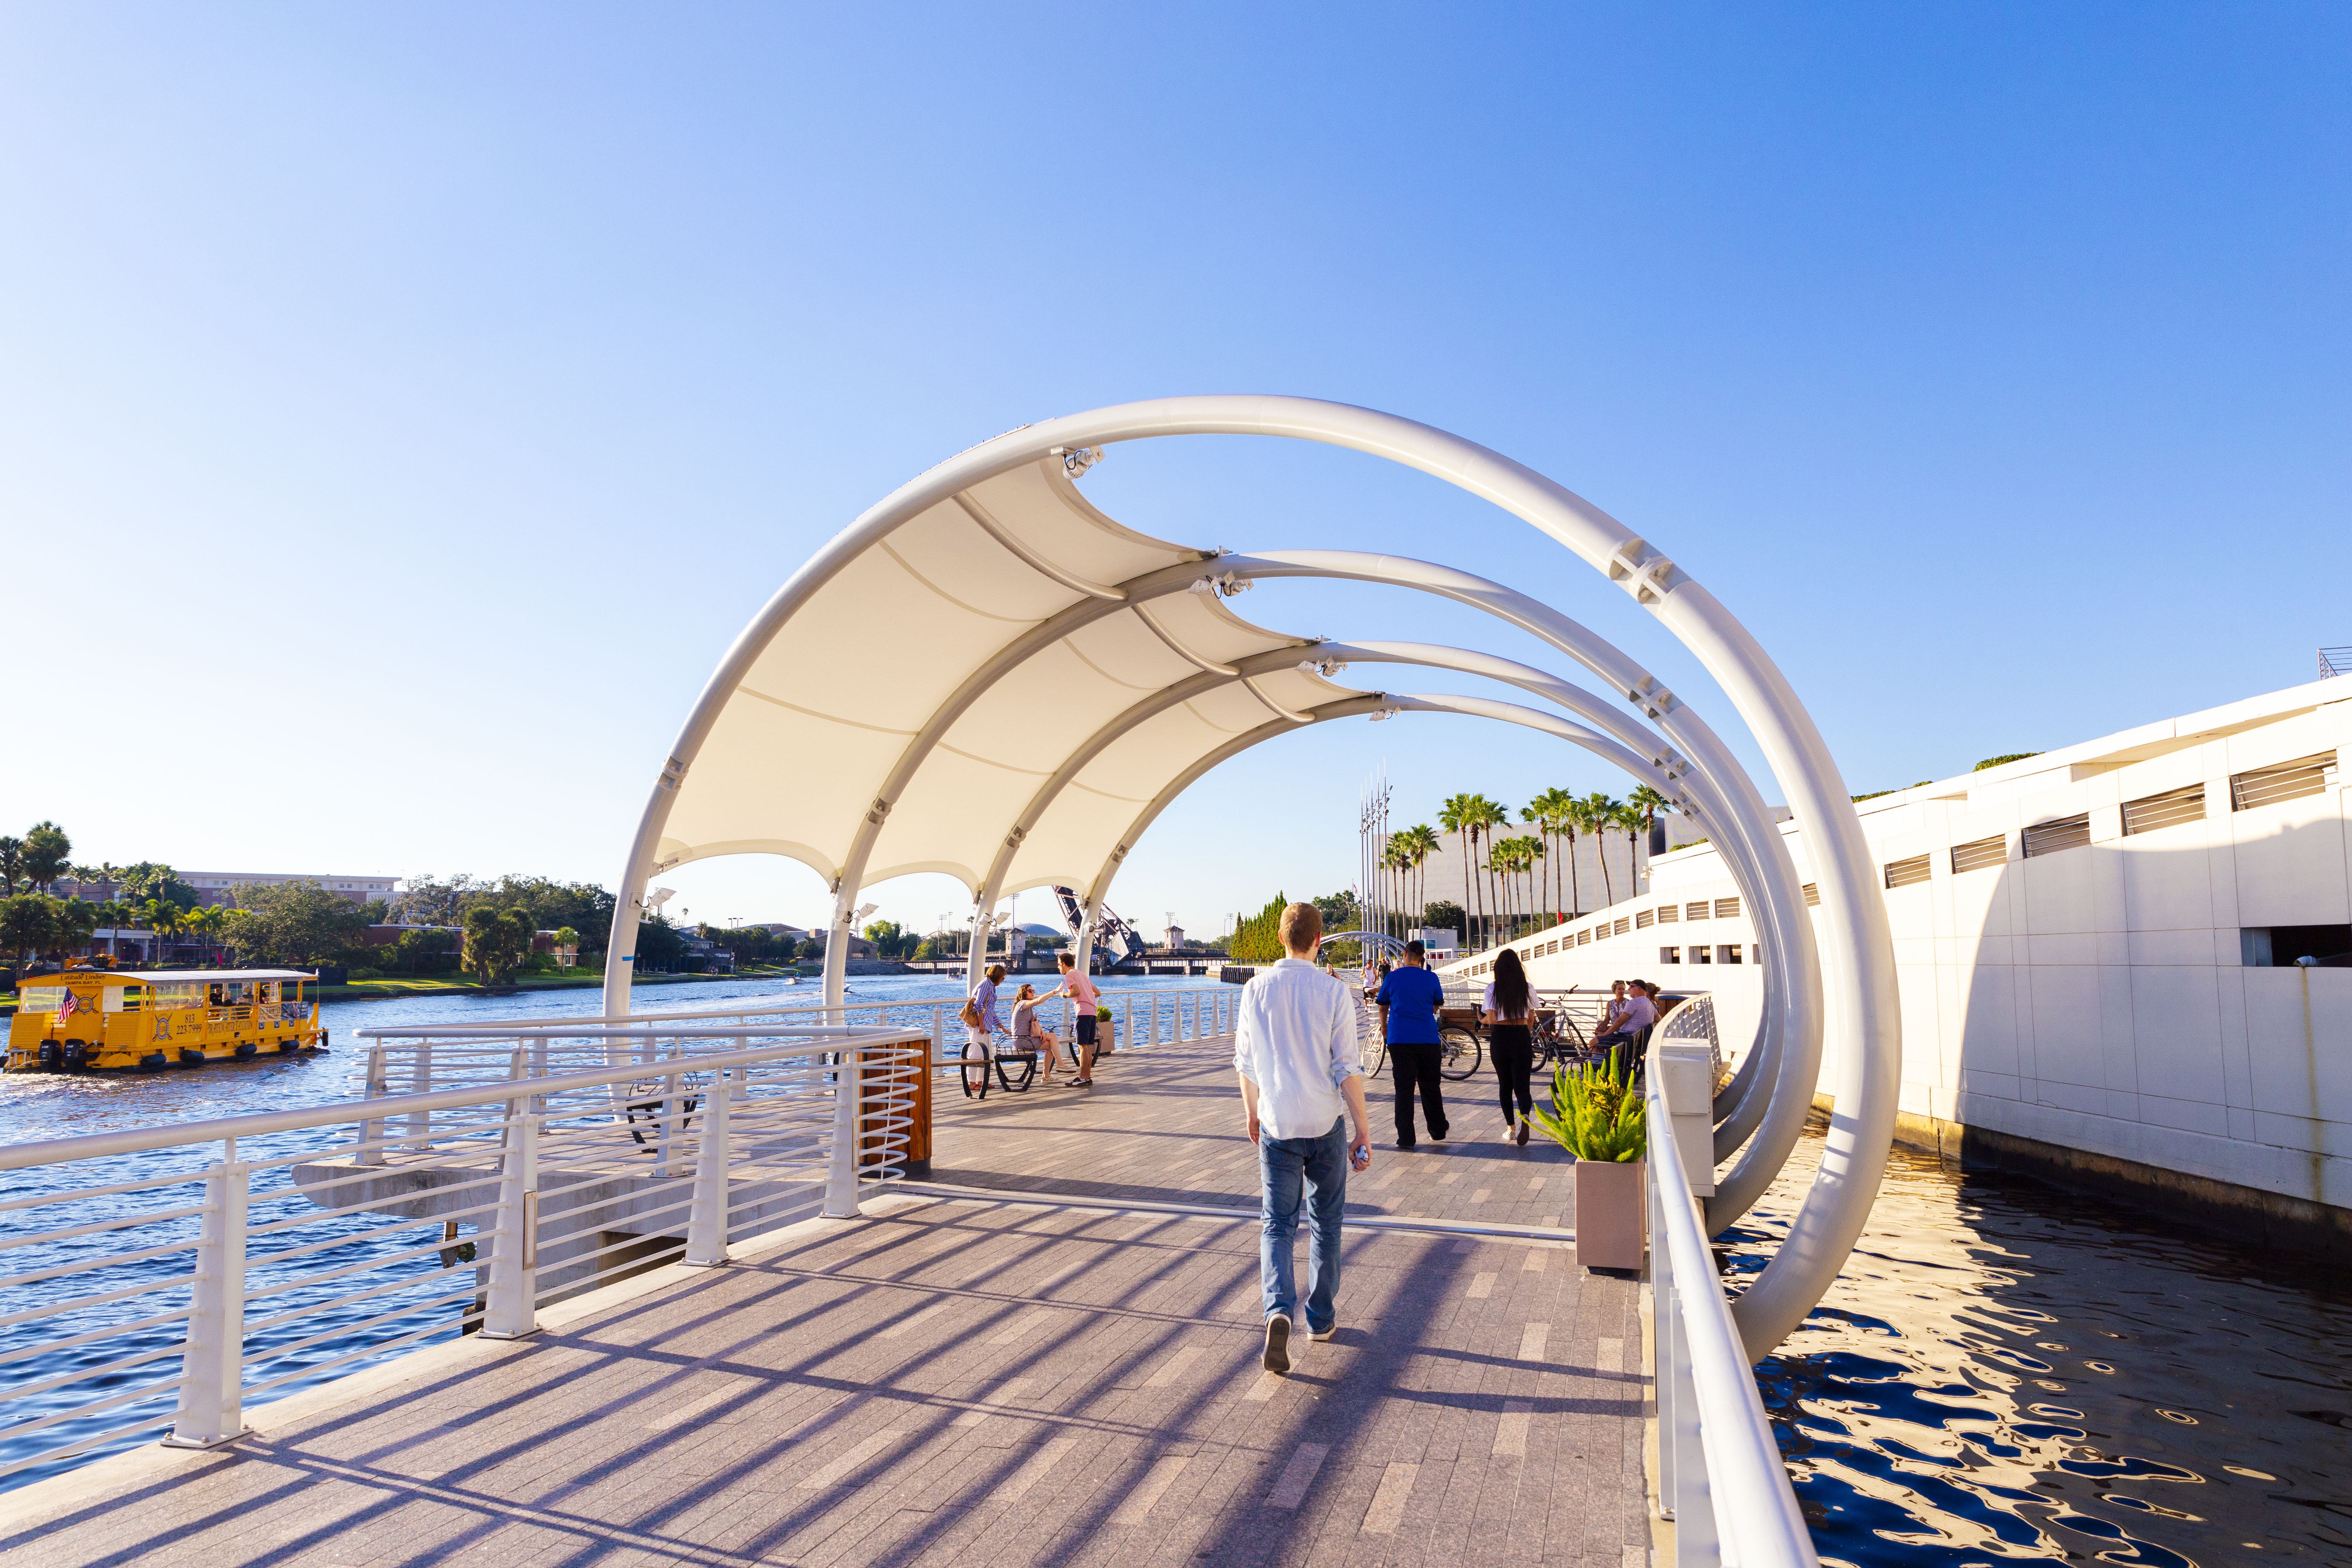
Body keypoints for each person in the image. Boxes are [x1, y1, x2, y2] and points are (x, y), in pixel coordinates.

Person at [1234, 901, 1372, 1373]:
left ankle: (1277, 1310)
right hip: (1325, 1123)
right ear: (1318, 940)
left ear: (1280, 938)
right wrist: (1363, 1130)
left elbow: (1246, 1064)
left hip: (1276, 1124)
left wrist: (1252, 1112)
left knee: (1277, 1224)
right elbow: (1347, 1068)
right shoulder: (1334, 991)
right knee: (1327, 1224)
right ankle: (1321, 1318)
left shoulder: (1254, 990)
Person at [1374, 940, 1448, 1148]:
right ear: (1422, 958)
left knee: (1404, 1090)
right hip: (1427, 1039)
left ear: (1405, 954)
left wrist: (1384, 1026)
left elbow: (1383, 1005)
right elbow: (1437, 1003)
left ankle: (1406, 1138)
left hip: (1400, 1040)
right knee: (1431, 1086)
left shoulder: (1393, 977)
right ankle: (1438, 1131)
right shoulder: (1431, 977)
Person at [1483, 947, 1537, 1146]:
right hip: (1521, 1035)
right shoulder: (1528, 988)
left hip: (1501, 1038)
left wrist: (1481, 1020)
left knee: (1505, 1086)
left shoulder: (1492, 989)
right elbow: (1531, 1017)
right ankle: (1526, 1117)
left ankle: (1511, 1130)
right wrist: (1526, 1033)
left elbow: (1492, 1019)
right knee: (1523, 1086)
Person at [1033, 950, 1101, 1086]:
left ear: (1064, 964)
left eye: (1059, 965)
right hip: (1092, 1012)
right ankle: (1087, 1077)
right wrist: (1088, 1000)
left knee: (1082, 1047)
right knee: (1086, 1047)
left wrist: (1065, 995)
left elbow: (1076, 992)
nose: (1058, 967)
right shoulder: (1082, 974)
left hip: (1082, 1013)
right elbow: (1098, 993)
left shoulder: (1070, 976)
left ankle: (1083, 1078)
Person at [1010, 983, 1060, 1081]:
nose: (1033, 993)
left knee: (1052, 1041)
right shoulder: (1022, 1004)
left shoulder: (1028, 1008)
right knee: (1052, 1043)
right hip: (1022, 1040)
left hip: (1025, 1039)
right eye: (1030, 991)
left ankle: (1049, 1074)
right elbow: (1039, 1000)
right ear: (1024, 993)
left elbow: (1034, 1022)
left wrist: (1042, 1032)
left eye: (1033, 991)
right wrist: (1054, 992)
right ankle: (1058, 1065)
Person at [967, 963, 1009, 1066]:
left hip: (986, 1024)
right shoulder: (986, 985)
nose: (1002, 981)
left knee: (983, 1053)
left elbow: (990, 1010)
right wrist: (981, 1024)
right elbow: (978, 1004)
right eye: (1002, 978)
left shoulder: (991, 986)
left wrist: (1001, 1026)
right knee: (976, 1052)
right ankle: (972, 1082)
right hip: (979, 1025)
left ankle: (980, 1081)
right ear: (998, 976)